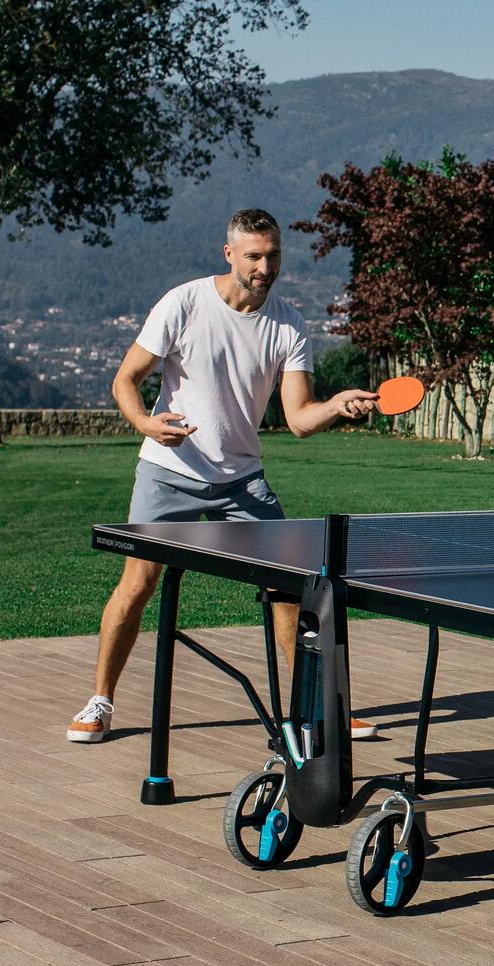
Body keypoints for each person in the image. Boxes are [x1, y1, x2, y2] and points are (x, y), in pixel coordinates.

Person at [68, 208, 379, 744]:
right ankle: (100, 701)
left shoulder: (289, 325)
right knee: (139, 583)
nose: (265, 267)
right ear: (229, 253)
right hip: (169, 471)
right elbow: (127, 378)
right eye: (254, 256)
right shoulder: (184, 303)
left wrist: (336, 405)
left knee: (289, 587)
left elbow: (300, 419)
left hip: (242, 480)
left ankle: (316, 708)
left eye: (273, 255)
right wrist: (145, 421)